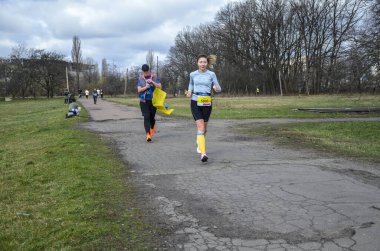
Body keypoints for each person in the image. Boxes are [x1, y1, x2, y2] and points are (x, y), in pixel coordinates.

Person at [187, 54, 221, 162]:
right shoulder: (192, 74)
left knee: (204, 129)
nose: (203, 64)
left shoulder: (211, 74)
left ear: (207, 63)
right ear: (197, 63)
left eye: (204, 62)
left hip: (207, 101)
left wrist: (216, 88)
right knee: (201, 127)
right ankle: (203, 153)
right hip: (195, 101)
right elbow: (191, 85)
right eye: (201, 62)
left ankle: (199, 140)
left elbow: (218, 87)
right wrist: (189, 91)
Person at [137, 64, 162, 142]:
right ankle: (148, 134)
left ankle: (152, 127)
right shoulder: (140, 79)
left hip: (153, 101)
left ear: (149, 70)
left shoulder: (154, 77)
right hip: (144, 101)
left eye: (147, 71)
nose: (146, 73)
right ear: (142, 71)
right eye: (144, 72)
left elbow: (160, 87)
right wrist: (146, 87)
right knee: (146, 116)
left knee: (152, 118)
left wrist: (153, 82)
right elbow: (139, 90)